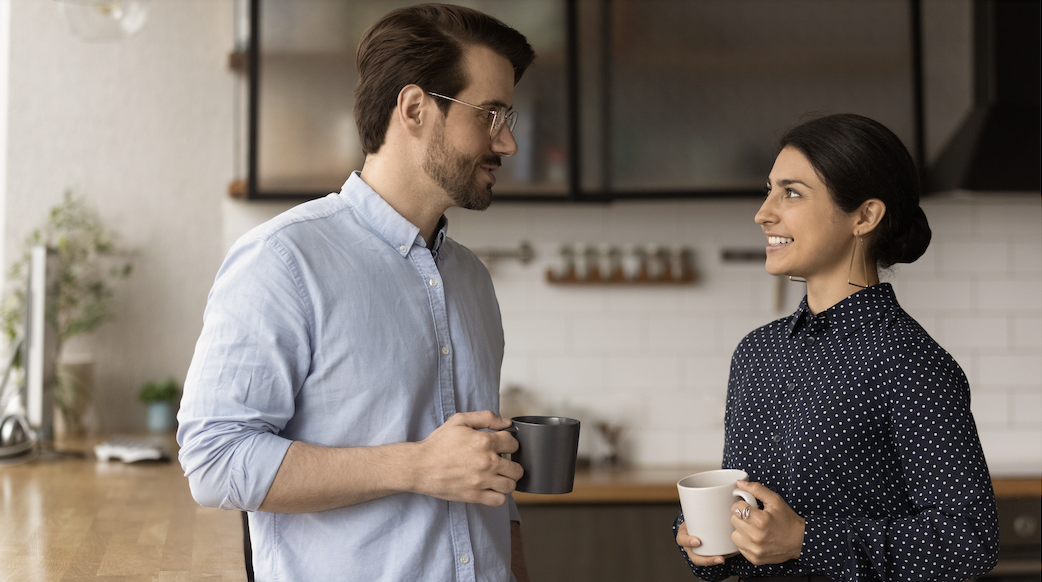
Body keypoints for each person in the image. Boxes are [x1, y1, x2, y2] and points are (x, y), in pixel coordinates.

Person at [176, 5, 536, 581]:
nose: (509, 143)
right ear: (415, 109)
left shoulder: (472, 280)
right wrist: (416, 466)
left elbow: (484, 475)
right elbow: (216, 462)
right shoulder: (284, 261)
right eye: (490, 115)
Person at [673, 113, 999, 581]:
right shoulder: (757, 353)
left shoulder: (909, 361)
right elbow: (747, 503)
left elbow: (971, 540)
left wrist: (806, 539)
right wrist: (700, 539)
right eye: (769, 190)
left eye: (791, 192)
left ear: (864, 216)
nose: (763, 212)